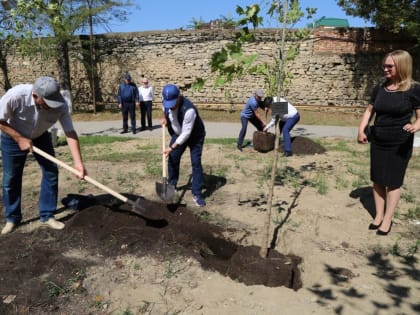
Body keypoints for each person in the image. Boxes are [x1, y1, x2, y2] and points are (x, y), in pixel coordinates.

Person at [0, 76, 87, 235]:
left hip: (40, 136)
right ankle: (12, 218)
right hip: (12, 136)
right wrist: (19, 138)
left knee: (51, 171)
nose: (52, 106)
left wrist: (78, 163)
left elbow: (70, 132)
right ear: (35, 96)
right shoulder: (16, 96)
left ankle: (47, 215)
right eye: (47, 103)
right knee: (11, 177)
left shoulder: (60, 104)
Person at [358, 50, 420, 236]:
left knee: (392, 181)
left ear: (401, 66)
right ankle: (378, 215)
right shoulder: (380, 88)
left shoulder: (414, 89)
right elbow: (369, 111)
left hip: (399, 143)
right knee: (377, 179)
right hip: (378, 139)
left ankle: (387, 219)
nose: (385, 68)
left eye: (389, 66)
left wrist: (416, 125)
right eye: (384, 65)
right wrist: (361, 129)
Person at [161, 84, 206, 207]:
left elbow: (186, 134)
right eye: (168, 104)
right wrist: (164, 117)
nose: (171, 106)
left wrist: (171, 147)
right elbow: (164, 110)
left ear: (179, 97)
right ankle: (171, 186)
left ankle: (196, 193)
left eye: (173, 103)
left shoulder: (189, 110)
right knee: (173, 159)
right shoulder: (166, 103)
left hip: (195, 136)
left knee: (196, 163)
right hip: (178, 133)